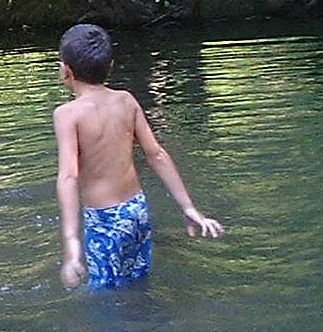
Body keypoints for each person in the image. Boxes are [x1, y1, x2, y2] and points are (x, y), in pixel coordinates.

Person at [52, 24, 223, 291]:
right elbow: (157, 154)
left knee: (105, 294)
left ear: (66, 70)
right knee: (138, 281)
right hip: (137, 211)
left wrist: (72, 247)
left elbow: (69, 176)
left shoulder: (67, 114)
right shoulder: (126, 101)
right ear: (111, 65)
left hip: (105, 219)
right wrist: (189, 209)